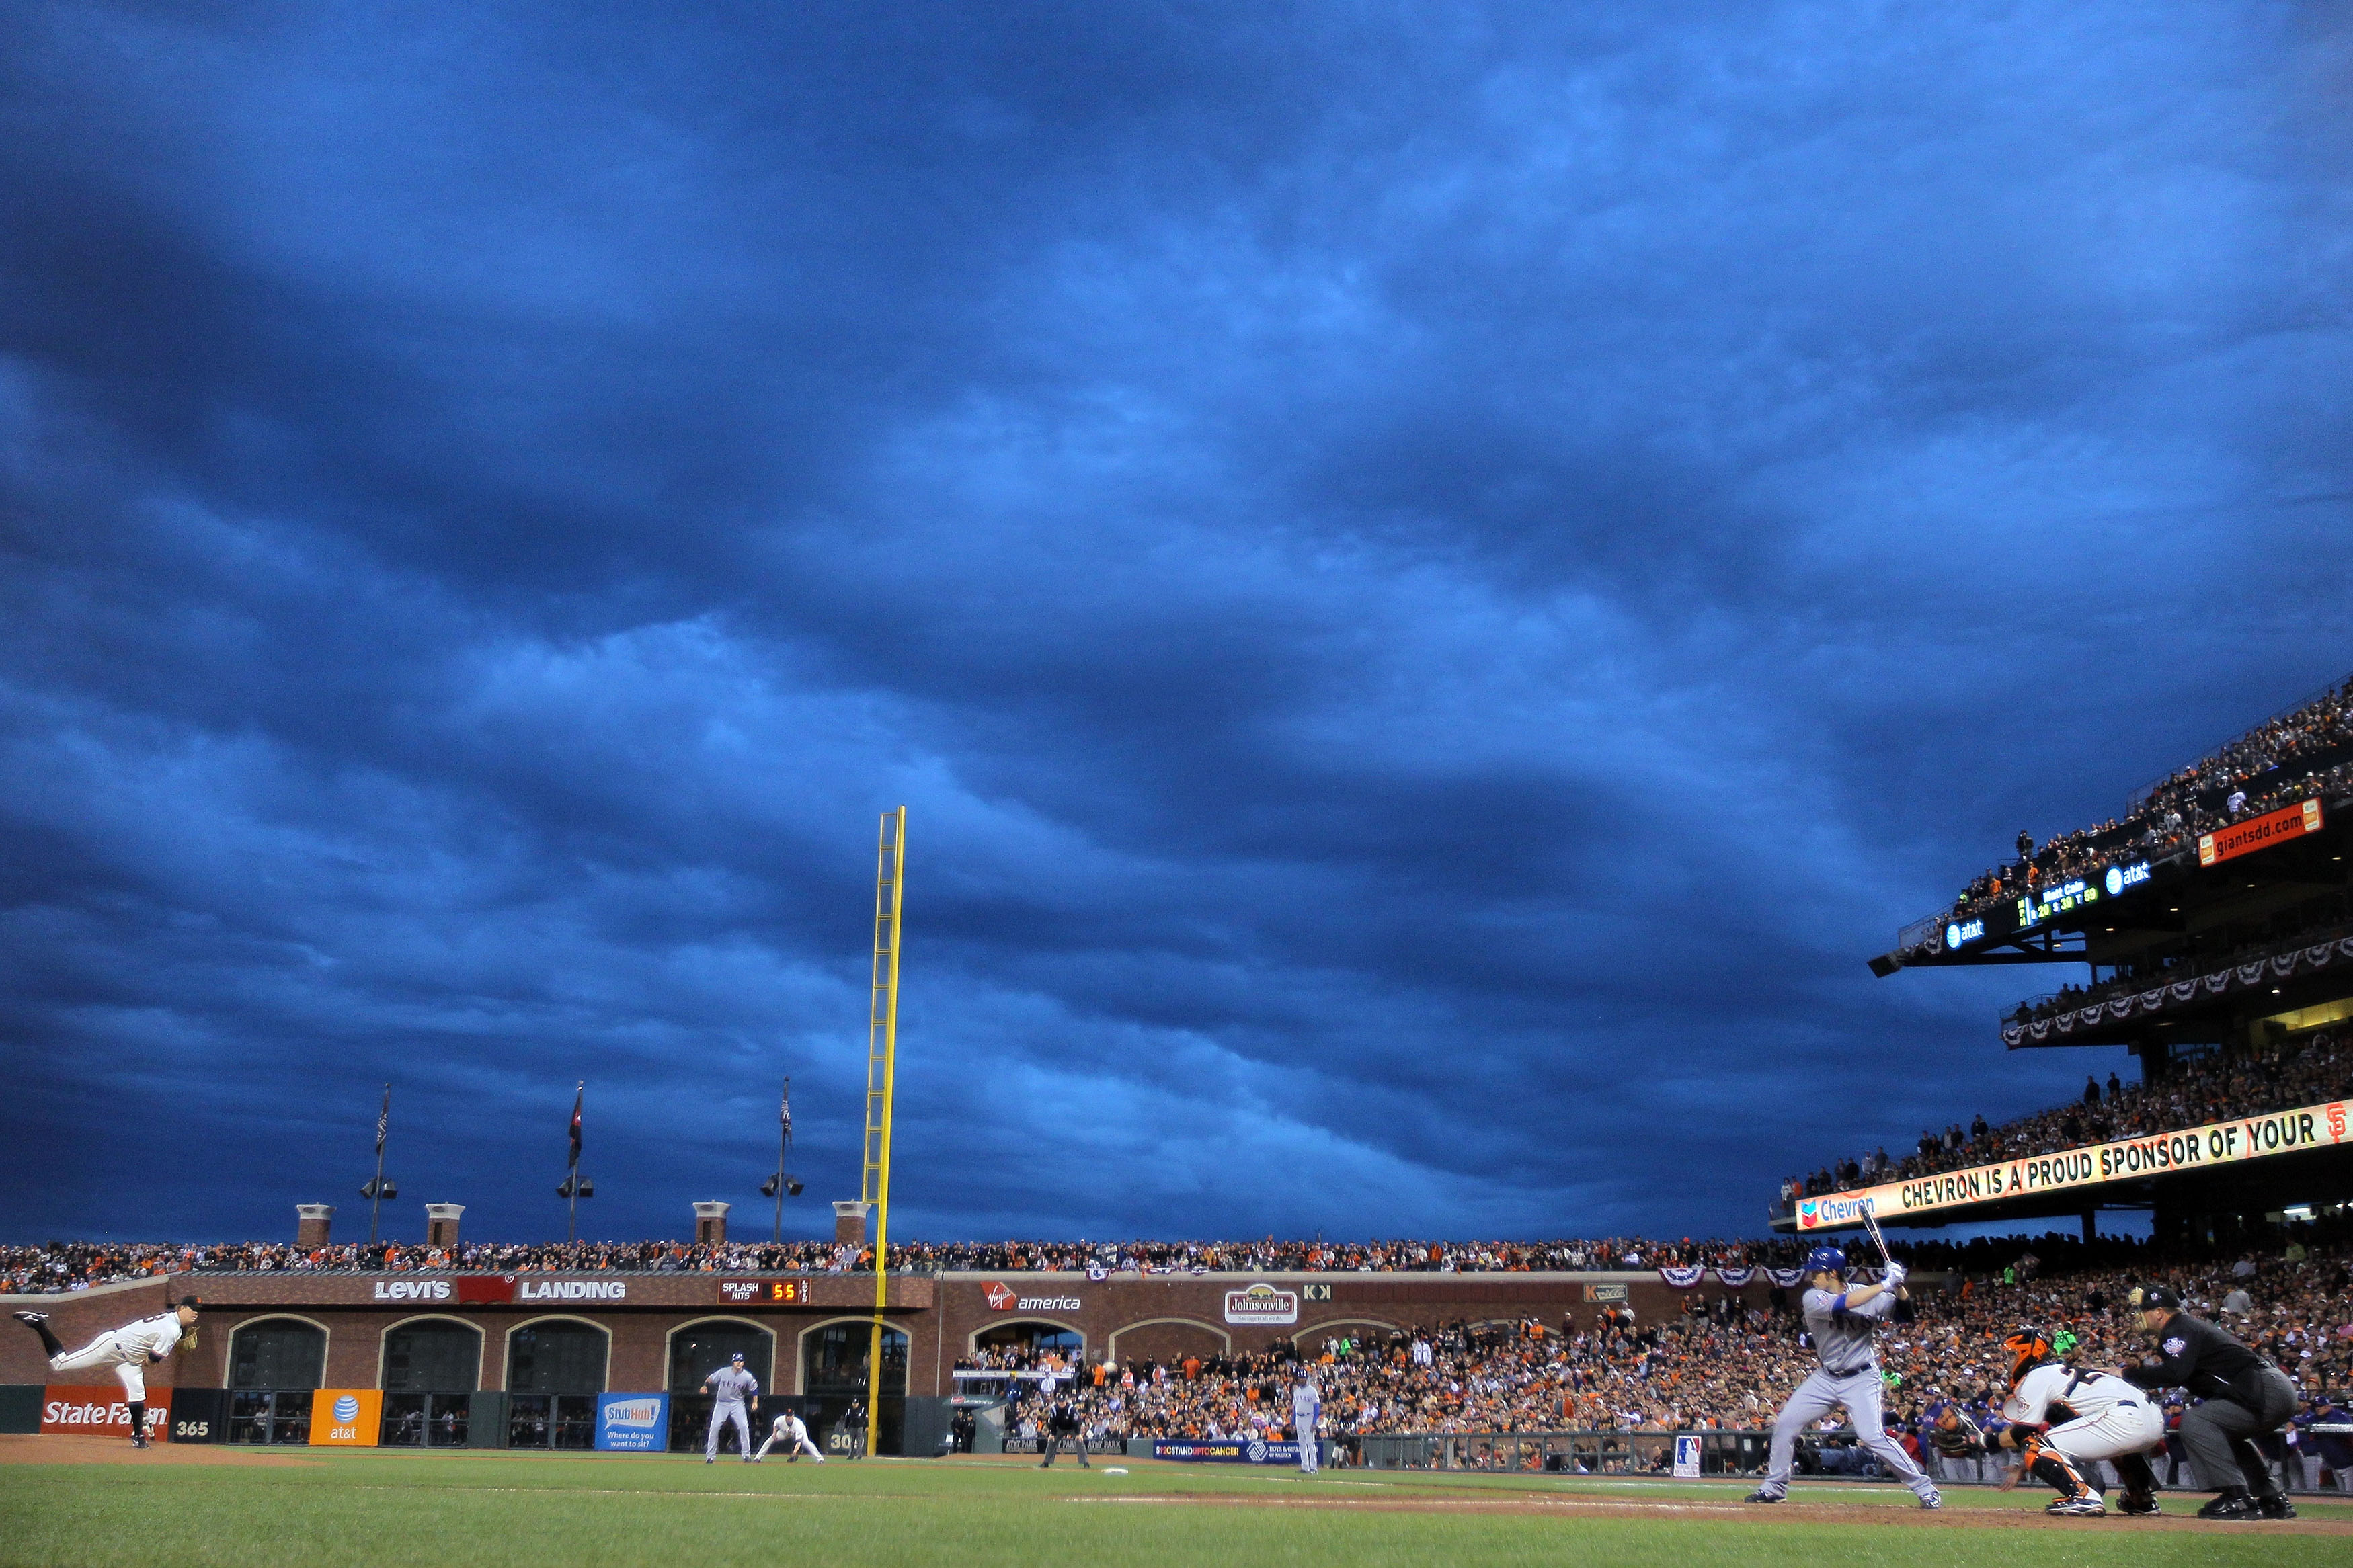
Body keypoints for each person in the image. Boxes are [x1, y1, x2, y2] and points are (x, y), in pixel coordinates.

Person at [1745, 1247, 1940, 1508]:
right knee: (1785, 1425)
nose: (1812, 1277)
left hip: (1862, 1377)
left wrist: (1900, 1286)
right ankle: (1774, 1488)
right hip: (1826, 1378)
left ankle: (1924, 1488)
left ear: (1833, 1273)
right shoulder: (1813, 1298)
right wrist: (1884, 1284)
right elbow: (1842, 1304)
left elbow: (1906, 1316)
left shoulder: (1867, 1293)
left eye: (1817, 1272)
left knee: (1871, 1436)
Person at [2119, 1284, 2298, 1520]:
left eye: (2145, 1310)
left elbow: (2175, 1374)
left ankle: (2237, 1498)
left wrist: (2128, 1374)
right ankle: (2272, 1498)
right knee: (2222, 1432)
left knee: (2195, 1422)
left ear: (2160, 1312)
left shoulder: (2178, 1327)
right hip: (2267, 1387)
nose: (2141, 1316)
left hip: (2265, 1389)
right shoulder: (2184, 1328)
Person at [1972, 1328, 2167, 1516]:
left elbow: (2023, 1433)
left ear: (2028, 1353)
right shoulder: (2061, 1373)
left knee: (2036, 1445)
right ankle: (2142, 1498)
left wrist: (1983, 1441)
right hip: (2152, 1417)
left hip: (2123, 1417)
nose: (2008, 1362)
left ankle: (2084, 1497)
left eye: (2012, 1355)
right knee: (2121, 1446)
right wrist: (2024, 1466)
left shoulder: (2037, 1376)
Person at [11, 1295, 198, 1450]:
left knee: (137, 1392)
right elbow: (153, 1360)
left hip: (129, 1359)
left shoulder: (171, 1322)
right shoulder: (171, 1329)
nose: (196, 1312)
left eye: (198, 1309)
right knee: (61, 1364)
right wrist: (149, 1361)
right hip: (111, 1347)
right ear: (181, 1308)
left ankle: (139, 1436)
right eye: (192, 1308)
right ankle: (39, 1324)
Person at [702, 1351, 760, 1463]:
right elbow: (710, 1379)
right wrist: (705, 1385)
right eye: (737, 1361)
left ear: (743, 1363)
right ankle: (710, 1456)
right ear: (733, 1362)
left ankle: (746, 1455)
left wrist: (755, 1402)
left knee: (743, 1426)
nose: (739, 1363)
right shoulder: (724, 1372)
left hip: (737, 1404)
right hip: (722, 1403)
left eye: (741, 1361)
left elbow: (755, 1388)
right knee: (715, 1427)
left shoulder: (747, 1376)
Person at [754, 1405, 824, 1463]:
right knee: (770, 1440)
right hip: (785, 1433)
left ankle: (820, 1459)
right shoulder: (780, 1420)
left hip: (798, 1432)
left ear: (793, 1416)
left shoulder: (798, 1425)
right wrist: (774, 1434)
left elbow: (798, 1442)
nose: (789, 1418)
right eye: (788, 1416)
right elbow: (776, 1425)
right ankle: (758, 1458)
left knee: (807, 1443)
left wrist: (794, 1452)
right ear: (785, 1416)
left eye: (791, 1416)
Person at [1037, 1399, 1088, 1468]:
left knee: (1079, 1441)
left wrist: (1078, 1434)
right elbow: (1053, 1422)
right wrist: (1053, 1434)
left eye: (1063, 1402)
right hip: (1060, 1428)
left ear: (1066, 1402)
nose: (1061, 1403)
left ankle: (1085, 1463)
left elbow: (1076, 1422)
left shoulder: (1071, 1409)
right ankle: (1046, 1462)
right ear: (1058, 1402)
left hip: (1072, 1427)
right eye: (1060, 1402)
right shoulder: (1054, 1409)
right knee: (1052, 1441)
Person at [1291, 1369, 1321, 1474]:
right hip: (1299, 1418)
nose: (1301, 1380)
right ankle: (1305, 1466)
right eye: (1300, 1378)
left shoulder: (1312, 1390)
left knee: (1310, 1443)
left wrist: (1314, 1422)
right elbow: (1294, 1408)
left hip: (1309, 1418)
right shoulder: (1297, 1391)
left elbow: (1317, 1407)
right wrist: (1293, 1422)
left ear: (1306, 1378)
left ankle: (1314, 1467)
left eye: (1303, 1378)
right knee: (1302, 1444)